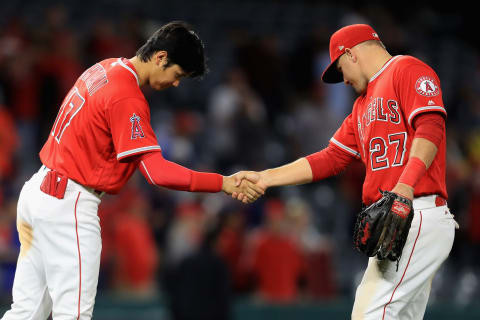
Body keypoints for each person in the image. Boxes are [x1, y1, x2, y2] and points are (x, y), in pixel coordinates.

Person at [2, 21, 263, 320]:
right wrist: (223, 183)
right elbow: (158, 173)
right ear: (160, 57)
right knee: (71, 316)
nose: (176, 83)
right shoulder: (127, 95)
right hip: (68, 205)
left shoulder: (106, 66)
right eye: (177, 74)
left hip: (39, 192)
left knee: (24, 313)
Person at [233, 24, 457, 319]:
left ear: (351, 54)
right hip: (399, 223)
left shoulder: (406, 69)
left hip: (417, 212)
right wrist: (267, 177)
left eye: (340, 69)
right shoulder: (360, 108)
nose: (344, 81)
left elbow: (431, 127)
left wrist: (405, 185)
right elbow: (331, 158)